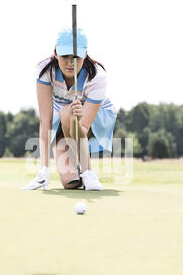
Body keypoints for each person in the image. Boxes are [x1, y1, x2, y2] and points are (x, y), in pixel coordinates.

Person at [22, 27, 117, 191]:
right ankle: (78, 172)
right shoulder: (45, 71)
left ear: (85, 54)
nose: (69, 62)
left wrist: (79, 117)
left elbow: (84, 128)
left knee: (68, 113)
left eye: (76, 57)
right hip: (63, 121)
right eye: (64, 56)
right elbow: (45, 121)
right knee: (69, 181)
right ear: (55, 53)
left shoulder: (97, 77)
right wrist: (44, 168)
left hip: (97, 119)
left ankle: (88, 172)